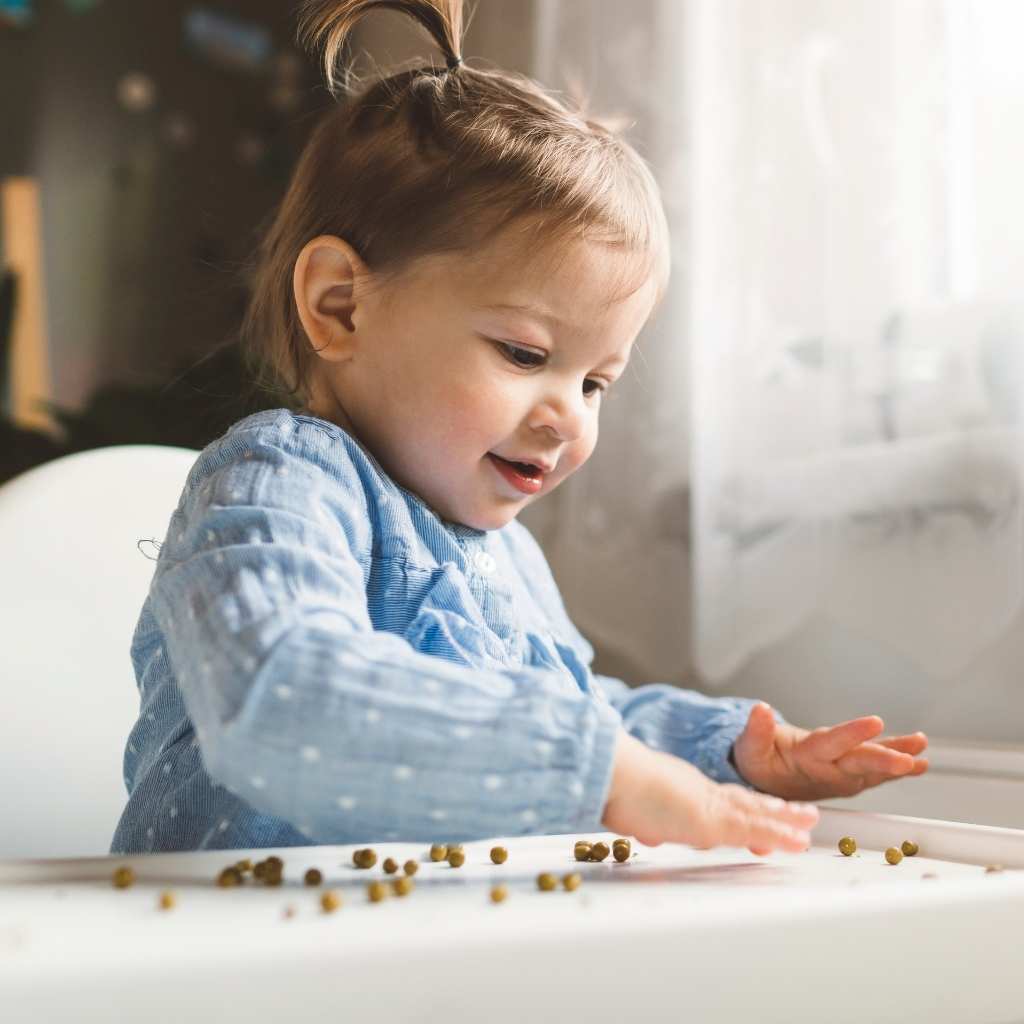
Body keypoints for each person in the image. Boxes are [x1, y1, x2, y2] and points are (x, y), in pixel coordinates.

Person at [111, 0, 928, 856]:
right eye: (524, 352)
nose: (569, 415)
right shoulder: (280, 479)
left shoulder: (504, 554)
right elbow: (278, 697)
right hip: (218, 950)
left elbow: (583, 714)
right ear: (340, 305)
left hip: (419, 950)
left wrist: (729, 752)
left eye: (597, 381)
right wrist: (603, 773)